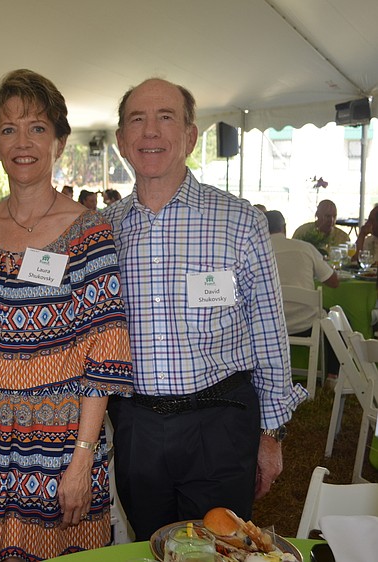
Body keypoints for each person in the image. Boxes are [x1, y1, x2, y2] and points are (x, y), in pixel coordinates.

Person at [102, 78, 308, 541]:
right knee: (151, 544)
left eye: (166, 117)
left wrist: (270, 435)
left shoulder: (241, 221)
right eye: (137, 119)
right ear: (121, 141)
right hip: (137, 425)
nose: (150, 131)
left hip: (220, 422)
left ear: (191, 136)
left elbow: (269, 333)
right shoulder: (103, 230)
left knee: (220, 546)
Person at [0, 69, 133, 561]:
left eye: (37, 127)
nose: (23, 142)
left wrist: (80, 461)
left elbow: (105, 353)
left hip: (59, 442)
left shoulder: (87, 231)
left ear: (59, 140)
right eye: (8, 129)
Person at [265, 210, 338, 333]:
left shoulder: (254, 253)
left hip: (269, 325)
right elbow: (334, 282)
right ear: (284, 227)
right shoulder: (305, 248)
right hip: (306, 323)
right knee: (336, 317)